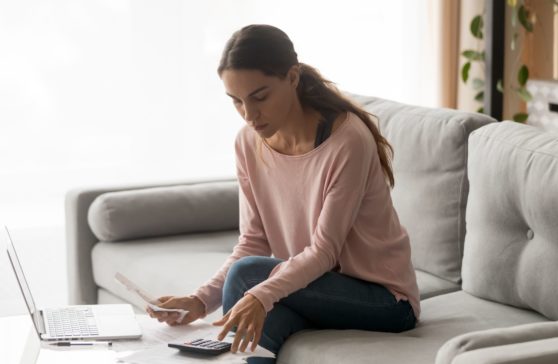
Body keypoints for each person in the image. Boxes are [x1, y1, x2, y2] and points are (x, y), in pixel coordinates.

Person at [147, 24, 420, 359]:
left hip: (384, 300)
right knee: (258, 332)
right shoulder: (247, 142)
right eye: (236, 102)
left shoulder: (346, 141)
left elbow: (324, 252)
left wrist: (260, 294)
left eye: (260, 97)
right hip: (309, 287)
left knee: (249, 278)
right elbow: (253, 242)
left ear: (292, 78)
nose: (249, 115)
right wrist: (200, 301)